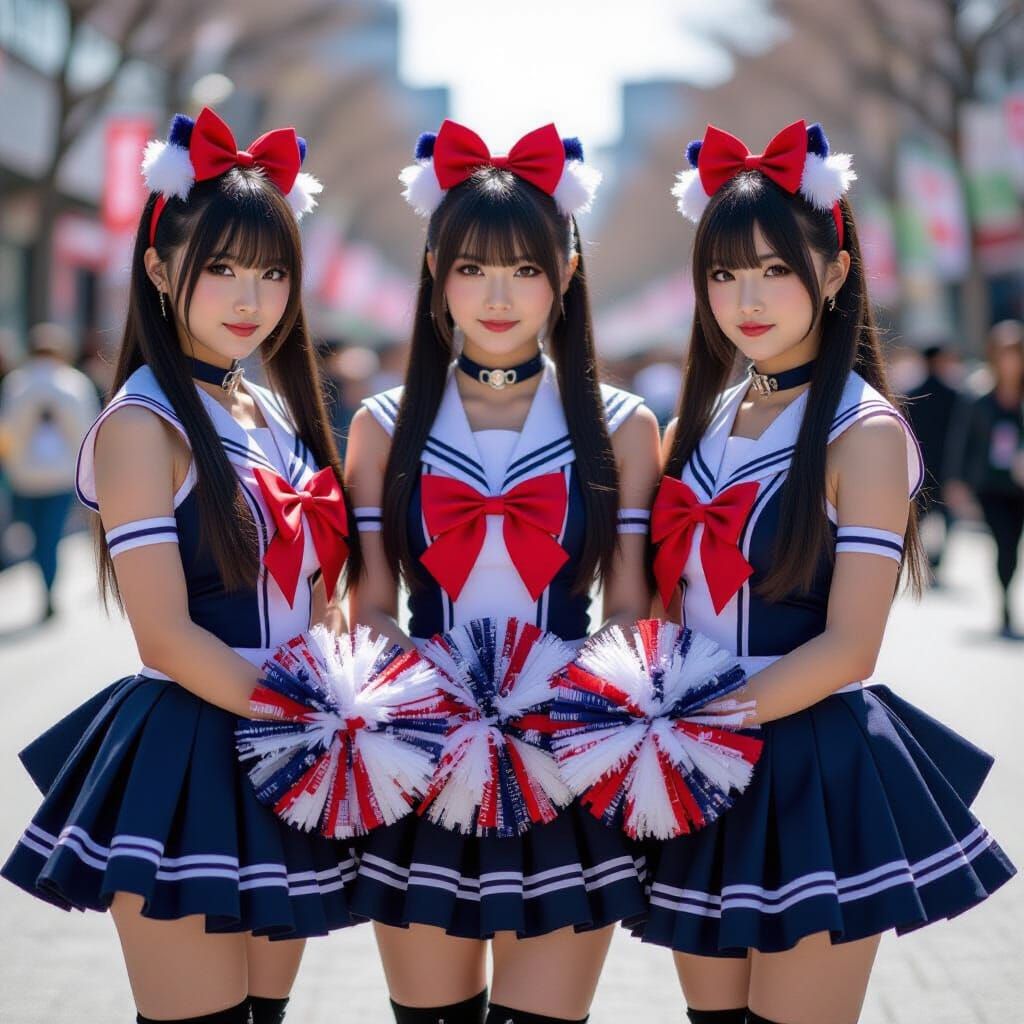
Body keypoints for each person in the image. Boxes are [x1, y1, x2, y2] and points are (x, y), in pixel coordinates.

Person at [639, 120, 1015, 1024]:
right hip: (698, 765)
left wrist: (693, 722)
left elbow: (852, 648)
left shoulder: (867, 431)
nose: (748, 297)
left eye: (776, 269)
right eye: (725, 274)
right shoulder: (707, 419)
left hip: (805, 761)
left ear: (837, 273)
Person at [2, 108, 359, 1024]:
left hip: (289, 752)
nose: (252, 296)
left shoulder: (272, 414)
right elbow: (163, 634)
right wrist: (306, 724)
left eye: (273, 271)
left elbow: (320, 603)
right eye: (224, 268)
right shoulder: (139, 424)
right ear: (160, 270)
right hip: (196, 748)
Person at [344, 120, 661, 1024]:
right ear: (436, 276)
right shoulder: (381, 420)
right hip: (422, 756)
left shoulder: (623, 421)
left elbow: (630, 605)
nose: (497, 294)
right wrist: (420, 711)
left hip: (568, 752)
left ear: (564, 277)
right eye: (472, 268)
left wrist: (581, 715)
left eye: (524, 268)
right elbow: (368, 605)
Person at [0, 322, 99, 618]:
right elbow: (86, 432)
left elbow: (8, 431)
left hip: (24, 475)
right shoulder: (74, 383)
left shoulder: (17, 383)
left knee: (32, 533)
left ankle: (44, 584)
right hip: (60, 475)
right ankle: (49, 587)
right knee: (51, 534)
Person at [948, 320, 1024, 637]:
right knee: (1004, 545)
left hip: (1021, 486)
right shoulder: (980, 398)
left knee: (1014, 546)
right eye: (1005, 354)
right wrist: (956, 483)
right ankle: (1004, 603)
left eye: (1016, 353)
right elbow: (962, 442)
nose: (1011, 361)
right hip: (992, 486)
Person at [904, 342, 962, 577]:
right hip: (947, 466)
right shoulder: (954, 396)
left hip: (919, 465)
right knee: (947, 518)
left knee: (919, 517)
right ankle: (937, 560)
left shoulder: (911, 394)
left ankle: (923, 557)